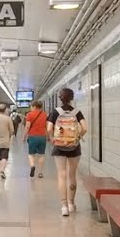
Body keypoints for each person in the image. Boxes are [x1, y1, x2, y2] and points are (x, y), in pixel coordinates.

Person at [47, 87, 88, 216]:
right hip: (74, 147)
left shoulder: (55, 112)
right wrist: (78, 137)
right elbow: (85, 128)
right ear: (72, 98)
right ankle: (71, 203)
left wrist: (53, 139)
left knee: (61, 175)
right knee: (72, 175)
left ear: (60, 98)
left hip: (59, 147)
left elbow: (49, 128)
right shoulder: (77, 112)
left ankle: (64, 206)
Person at [23, 100, 48, 178]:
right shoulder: (45, 115)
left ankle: (33, 165)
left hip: (32, 136)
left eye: (31, 106)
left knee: (31, 154)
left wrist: (24, 136)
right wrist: (49, 136)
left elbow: (27, 127)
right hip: (42, 136)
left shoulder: (29, 115)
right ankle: (40, 173)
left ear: (34, 106)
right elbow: (47, 126)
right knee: (41, 155)